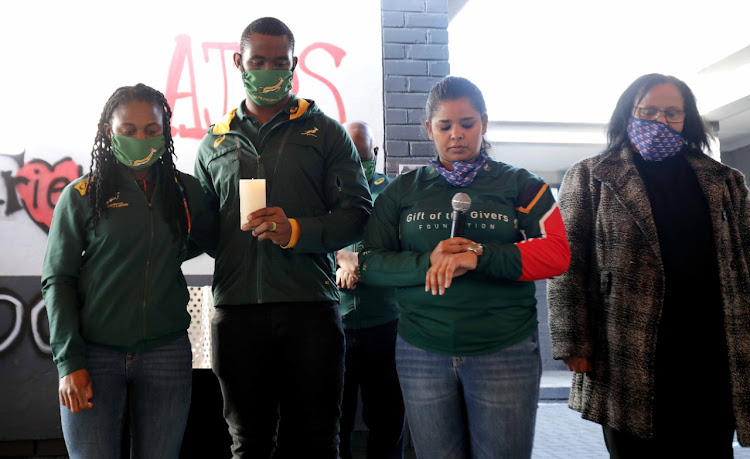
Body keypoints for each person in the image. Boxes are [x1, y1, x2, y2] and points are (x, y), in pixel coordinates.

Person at [359, 75, 571, 458]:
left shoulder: (521, 184)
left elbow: (558, 253)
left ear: (483, 124)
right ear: (429, 130)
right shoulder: (401, 192)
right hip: (421, 352)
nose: (456, 134)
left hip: (504, 351)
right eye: (445, 126)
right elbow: (370, 264)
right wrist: (429, 261)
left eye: (467, 124)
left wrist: (481, 255)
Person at [193, 17, 373, 458]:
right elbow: (203, 233)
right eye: (258, 61)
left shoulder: (325, 131)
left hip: (310, 309)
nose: (269, 71)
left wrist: (296, 230)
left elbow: (357, 214)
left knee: (315, 441)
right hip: (236, 313)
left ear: (294, 65)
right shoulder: (213, 143)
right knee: (247, 444)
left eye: (280, 62)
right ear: (239, 62)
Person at [547, 73, 750, 457]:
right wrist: (573, 340)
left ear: (687, 119)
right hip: (626, 344)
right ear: (628, 114)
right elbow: (567, 263)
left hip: (710, 348)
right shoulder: (591, 176)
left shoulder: (724, 180)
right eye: (649, 110)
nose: (660, 121)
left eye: (673, 113)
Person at [41, 83, 215, 458]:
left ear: (165, 128)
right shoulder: (82, 195)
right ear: (109, 131)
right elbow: (58, 280)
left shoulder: (186, 191)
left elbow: (210, 239)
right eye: (128, 130)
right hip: (94, 355)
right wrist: (69, 362)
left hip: (166, 353)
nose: (141, 139)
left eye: (151, 130)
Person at [336, 121, 405, 459]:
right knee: (336, 423)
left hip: (386, 324)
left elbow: (404, 252)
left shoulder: (393, 195)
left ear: (375, 154)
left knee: (388, 422)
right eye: (350, 157)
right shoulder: (324, 197)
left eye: (363, 157)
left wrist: (359, 264)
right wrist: (339, 260)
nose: (358, 165)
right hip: (335, 325)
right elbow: (306, 244)